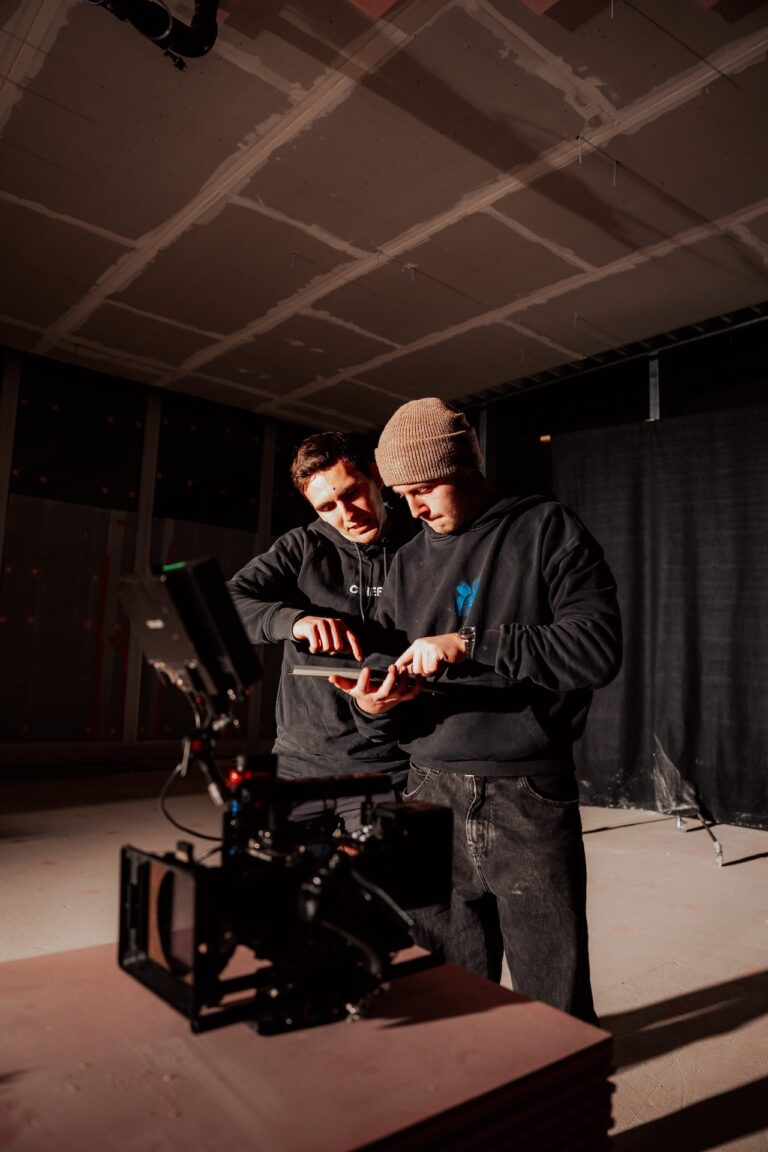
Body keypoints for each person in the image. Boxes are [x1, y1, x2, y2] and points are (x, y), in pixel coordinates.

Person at [332, 398, 622, 1022]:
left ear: (465, 467)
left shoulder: (546, 528)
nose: (413, 509)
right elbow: (384, 676)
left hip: (527, 793)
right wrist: (374, 705)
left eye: (424, 489)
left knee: (553, 1003)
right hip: (427, 790)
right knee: (445, 995)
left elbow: (596, 650)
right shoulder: (408, 562)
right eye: (401, 495)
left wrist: (470, 643)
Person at [228, 431, 415, 826]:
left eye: (352, 493)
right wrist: (293, 621)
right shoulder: (302, 546)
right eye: (327, 507)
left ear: (376, 475)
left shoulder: (421, 547)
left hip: (391, 765)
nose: (347, 515)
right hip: (300, 763)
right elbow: (227, 603)